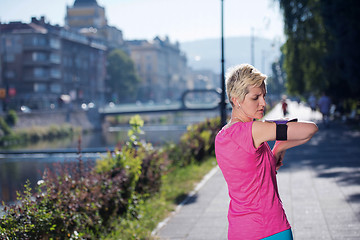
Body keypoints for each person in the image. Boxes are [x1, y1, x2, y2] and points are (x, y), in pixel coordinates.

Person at [215, 64, 318, 240]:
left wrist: (278, 147)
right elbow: (310, 130)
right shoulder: (255, 130)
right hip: (271, 229)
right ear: (236, 99)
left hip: (238, 231)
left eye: (264, 96)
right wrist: (275, 129)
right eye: (256, 97)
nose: (263, 103)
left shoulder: (221, 137)